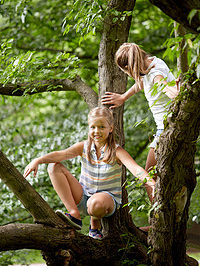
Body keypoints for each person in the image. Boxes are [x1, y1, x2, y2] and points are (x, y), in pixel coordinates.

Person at [24, 107, 155, 240]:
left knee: (95, 203)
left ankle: (94, 227)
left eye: (101, 127)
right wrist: (38, 160)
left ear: (110, 128)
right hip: (84, 195)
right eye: (93, 127)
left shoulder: (116, 151)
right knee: (54, 167)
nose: (96, 131)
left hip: (105, 201)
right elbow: (60, 155)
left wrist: (152, 184)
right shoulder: (84, 147)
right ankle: (74, 214)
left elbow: (136, 169)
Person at [101, 43, 180, 173]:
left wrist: (175, 90)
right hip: (169, 124)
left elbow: (164, 86)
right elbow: (143, 82)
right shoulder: (152, 63)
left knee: (148, 174)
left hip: (167, 127)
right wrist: (123, 97)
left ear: (129, 67)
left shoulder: (155, 75)